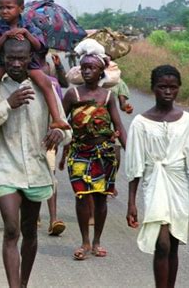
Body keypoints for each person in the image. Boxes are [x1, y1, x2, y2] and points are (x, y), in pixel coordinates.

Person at [0, 38, 72, 288]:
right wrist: (7, 105)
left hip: (35, 169)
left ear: (30, 58)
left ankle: (23, 282)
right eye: (10, 58)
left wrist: (59, 134)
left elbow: (67, 130)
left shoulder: (43, 86)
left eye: (21, 58)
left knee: (30, 231)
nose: (16, 63)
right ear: (2, 57)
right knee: (12, 229)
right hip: (5, 167)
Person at [125, 65, 189, 288]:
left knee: (173, 242)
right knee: (162, 242)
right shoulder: (140, 123)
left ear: (179, 89)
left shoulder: (187, 121)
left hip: (178, 184)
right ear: (153, 88)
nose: (167, 92)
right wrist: (131, 202)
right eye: (162, 87)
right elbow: (135, 165)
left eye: (172, 87)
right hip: (154, 182)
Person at [61, 39, 127, 260]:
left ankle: (97, 241)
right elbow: (60, 122)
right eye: (85, 67)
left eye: (92, 68)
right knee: (82, 196)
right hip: (80, 152)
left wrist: (131, 151)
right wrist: (59, 146)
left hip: (105, 153)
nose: (88, 71)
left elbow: (118, 125)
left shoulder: (107, 96)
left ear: (101, 73)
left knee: (101, 199)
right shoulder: (72, 95)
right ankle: (84, 242)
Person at [0, 0, 69, 137]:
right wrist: (6, 36)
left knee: (46, 83)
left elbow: (39, 46)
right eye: (1, 8)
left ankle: (56, 119)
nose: (4, 11)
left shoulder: (28, 24)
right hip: (5, 63)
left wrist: (26, 33)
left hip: (29, 64)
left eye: (9, 7)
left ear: (20, 8)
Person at [38, 48, 68, 236]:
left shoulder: (53, 84)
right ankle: (34, 214)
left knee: (50, 176)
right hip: (31, 136)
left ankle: (53, 218)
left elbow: (60, 111)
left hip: (49, 136)